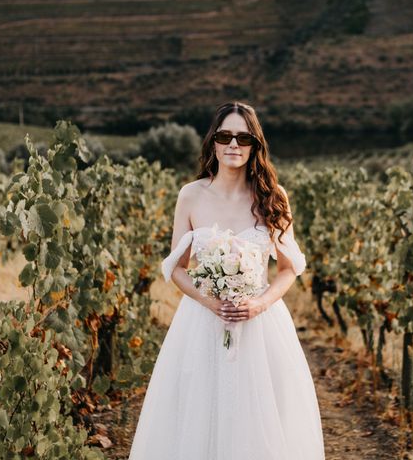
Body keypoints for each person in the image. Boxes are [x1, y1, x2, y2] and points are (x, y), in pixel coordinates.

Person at [128, 101, 326, 459]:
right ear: (214, 143)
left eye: (243, 137)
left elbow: (287, 268)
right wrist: (210, 301)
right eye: (225, 136)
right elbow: (177, 266)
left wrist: (260, 304)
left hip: (260, 326)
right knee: (197, 414)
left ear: (254, 145)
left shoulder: (273, 198)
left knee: (262, 417)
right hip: (202, 323)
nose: (234, 144)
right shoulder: (190, 195)